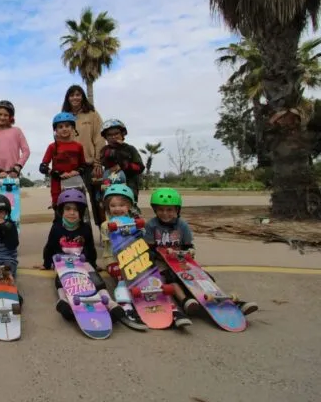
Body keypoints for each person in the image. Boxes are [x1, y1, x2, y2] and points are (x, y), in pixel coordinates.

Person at [145, 188, 259, 316]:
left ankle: (231, 302)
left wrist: (188, 252)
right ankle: (185, 301)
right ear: (155, 210)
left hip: (180, 259)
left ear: (177, 210)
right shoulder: (151, 225)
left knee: (202, 278)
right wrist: (161, 254)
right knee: (170, 277)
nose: (165, 213)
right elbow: (150, 248)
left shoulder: (182, 225)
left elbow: (188, 246)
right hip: (161, 261)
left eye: (169, 210)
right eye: (160, 209)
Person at [37, 190, 126, 323]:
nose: (72, 213)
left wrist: (93, 264)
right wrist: (46, 263)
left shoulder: (85, 229)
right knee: (63, 281)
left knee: (96, 279)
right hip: (63, 263)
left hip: (82, 262)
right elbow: (49, 247)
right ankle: (64, 301)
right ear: (61, 211)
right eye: (68, 209)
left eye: (76, 210)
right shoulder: (56, 228)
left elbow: (90, 247)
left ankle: (111, 304)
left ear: (81, 212)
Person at [99, 184, 151, 330]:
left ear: (129, 206)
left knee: (144, 273)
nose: (117, 209)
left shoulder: (134, 223)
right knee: (123, 276)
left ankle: (147, 301)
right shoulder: (106, 225)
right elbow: (112, 240)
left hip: (132, 255)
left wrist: (141, 231)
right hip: (113, 258)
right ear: (108, 207)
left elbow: (142, 240)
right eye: (113, 205)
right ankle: (125, 306)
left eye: (121, 205)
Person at [61, 85, 105, 224]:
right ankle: (81, 231)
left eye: (78, 94)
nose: (75, 97)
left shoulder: (92, 114)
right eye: (72, 95)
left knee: (98, 201)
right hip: (71, 168)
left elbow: (99, 138)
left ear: (82, 97)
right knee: (75, 201)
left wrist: (98, 162)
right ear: (68, 98)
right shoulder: (64, 116)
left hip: (90, 165)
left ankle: (103, 230)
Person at [39, 112, 88, 218]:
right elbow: (42, 167)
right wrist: (56, 173)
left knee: (79, 211)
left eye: (67, 126)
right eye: (60, 127)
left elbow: (84, 165)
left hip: (76, 182)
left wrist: (76, 171)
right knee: (59, 212)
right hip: (57, 183)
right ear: (56, 130)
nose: (64, 129)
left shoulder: (78, 146)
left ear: (73, 128)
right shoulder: (52, 147)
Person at [0, 100, 30, 190]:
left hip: (13, 174)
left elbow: (26, 151)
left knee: (12, 199)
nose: (2, 117)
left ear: (10, 117)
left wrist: (17, 167)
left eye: (6, 115)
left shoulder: (17, 131)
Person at [98, 119, 145, 206]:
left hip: (129, 186)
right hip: (110, 186)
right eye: (109, 135)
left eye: (116, 133)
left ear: (122, 134)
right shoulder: (104, 150)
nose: (113, 137)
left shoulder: (130, 149)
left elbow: (140, 167)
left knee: (130, 208)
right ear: (105, 137)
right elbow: (103, 163)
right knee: (107, 207)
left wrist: (123, 165)